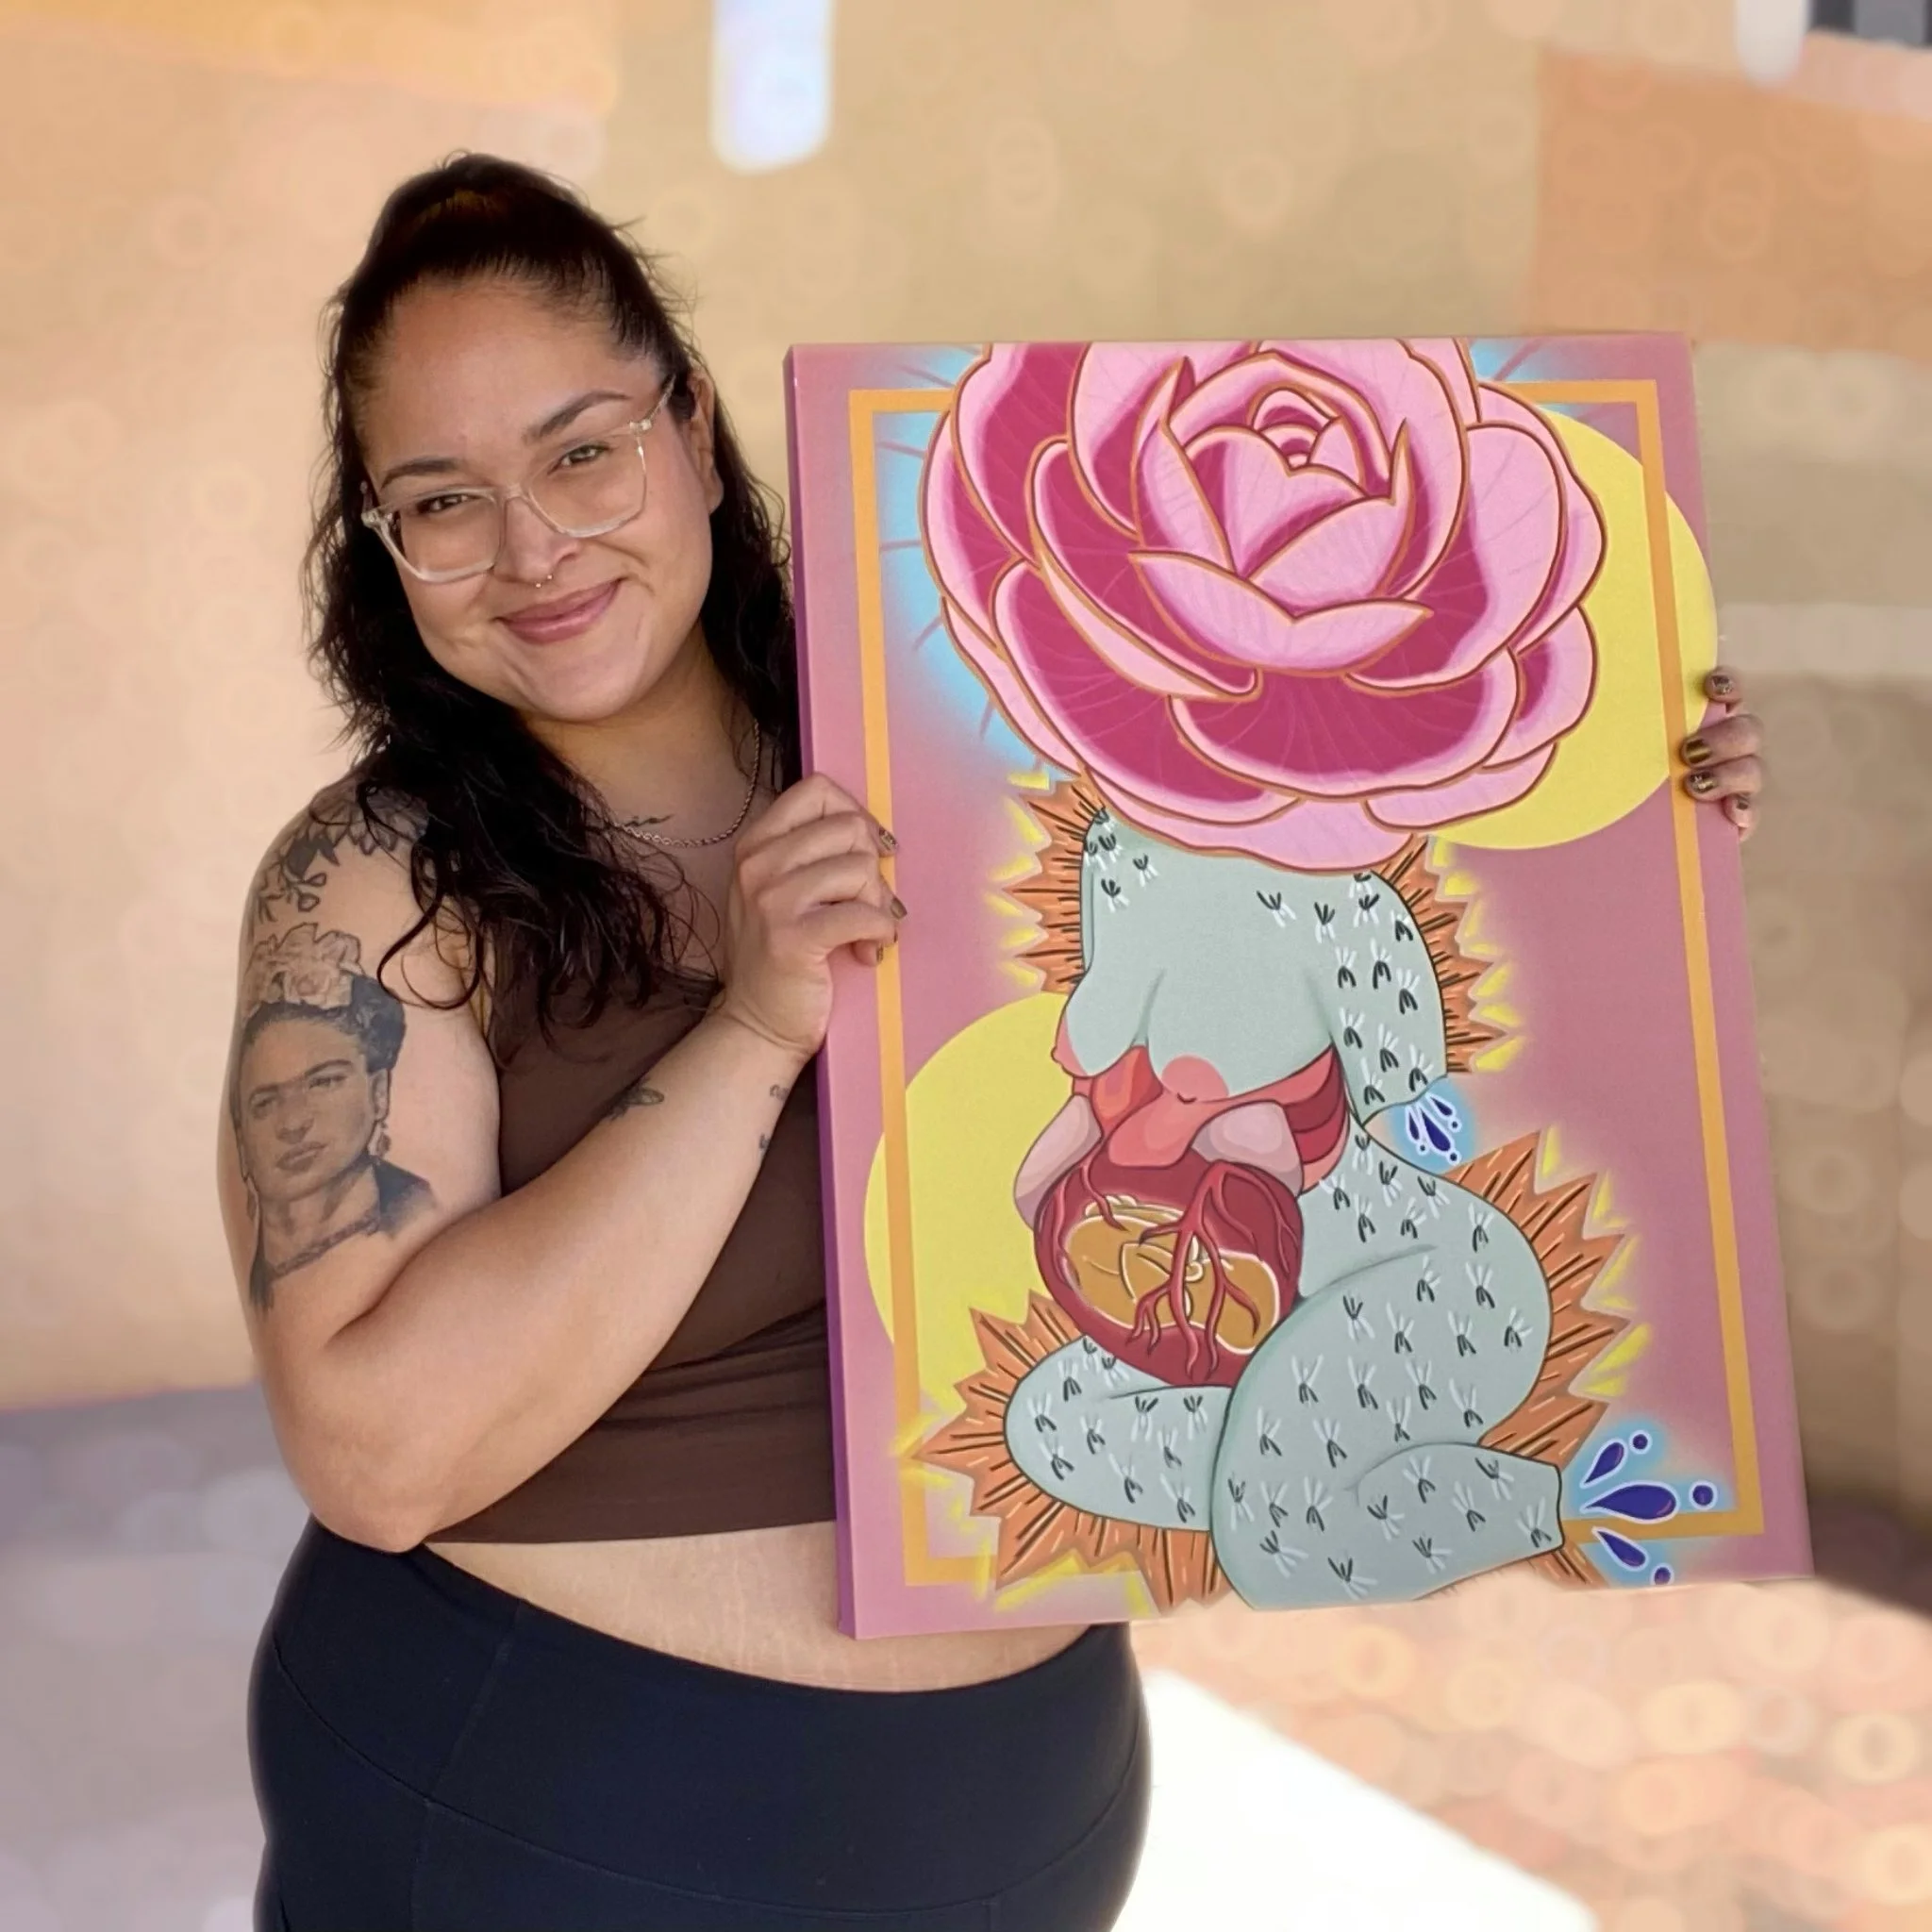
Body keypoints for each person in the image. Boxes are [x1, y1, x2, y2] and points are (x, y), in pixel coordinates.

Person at [218, 154, 1766, 1931]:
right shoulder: (381, 878)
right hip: (553, 1822)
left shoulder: (986, 731)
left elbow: (1358, 927)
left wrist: (1632, 811)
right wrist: (748, 1030)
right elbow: (376, 1454)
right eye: (442, 499)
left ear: (692, 425)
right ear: (384, 546)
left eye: (582, 450)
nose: (535, 547)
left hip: (1022, 1816)